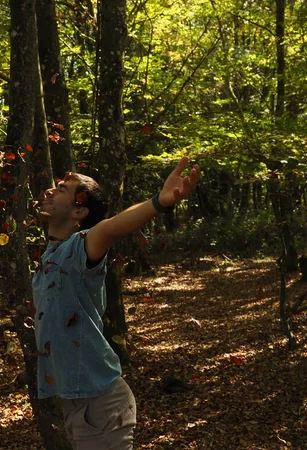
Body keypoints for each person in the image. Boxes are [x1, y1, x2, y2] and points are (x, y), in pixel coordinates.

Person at [32, 156, 201, 450]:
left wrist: (158, 203)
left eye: (61, 189)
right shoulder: (49, 256)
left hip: (100, 402)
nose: (49, 191)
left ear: (79, 211)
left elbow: (110, 228)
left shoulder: (82, 244)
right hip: (77, 400)